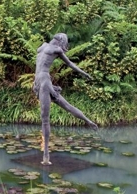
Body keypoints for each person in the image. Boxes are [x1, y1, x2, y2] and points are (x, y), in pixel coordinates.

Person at [33, 33, 98, 165]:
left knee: (49, 116)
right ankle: (46, 157)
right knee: (48, 118)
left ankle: (46, 157)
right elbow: (70, 64)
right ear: (62, 42)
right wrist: (84, 73)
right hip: (44, 81)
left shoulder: (42, 46)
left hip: (37, 82)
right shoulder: (57, 49)